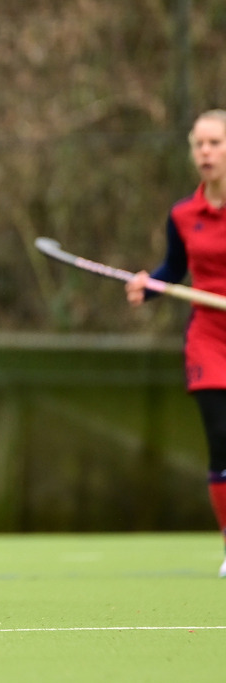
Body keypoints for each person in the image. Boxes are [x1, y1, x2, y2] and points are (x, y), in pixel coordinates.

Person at [125, 108, 226, 579]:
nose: (206, 152)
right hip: (208, 339)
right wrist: (151, 283)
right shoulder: (184, 215)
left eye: (215, 143)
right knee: (221, 441)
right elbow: (174, 269)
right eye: (199, 144)